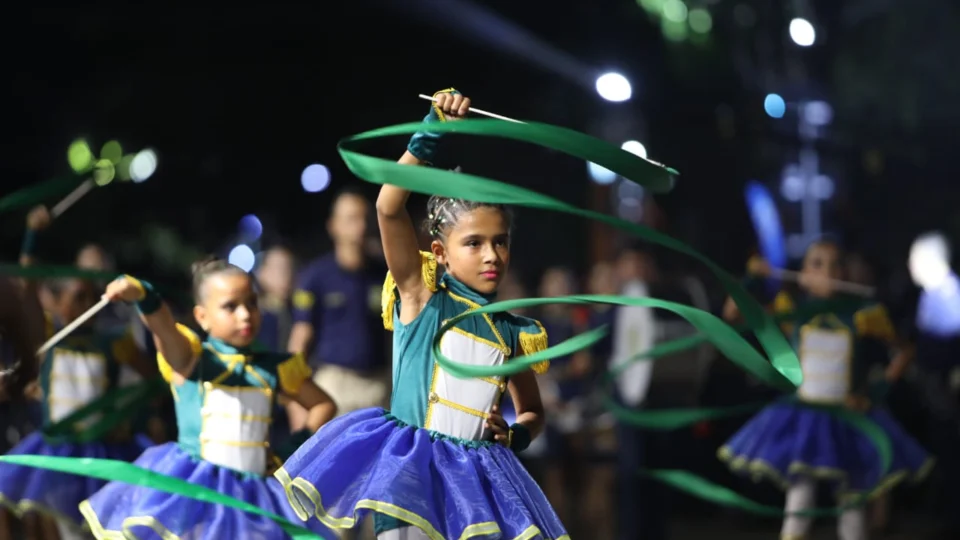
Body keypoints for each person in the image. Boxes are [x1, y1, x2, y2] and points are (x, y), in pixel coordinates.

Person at [275, 88, 566, 540]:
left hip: (479, 483)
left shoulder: (513, 329)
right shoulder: (421, 294)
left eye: (501, 241)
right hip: (411, 471)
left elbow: (531, 411)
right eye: (474, 243)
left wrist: (514, 435)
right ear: (440, 252)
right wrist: (432, 129)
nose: (492, 255)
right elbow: (387, 206)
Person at [81, 259, 338, 540]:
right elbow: (164, 329)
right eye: (231, 306)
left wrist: (292, 447)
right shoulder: (191, 360)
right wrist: (145, 296)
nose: (245, 314)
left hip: (254, 492)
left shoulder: (275, 368)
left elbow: (322, 405)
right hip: (196, 488)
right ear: (202, 317)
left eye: (251, 302)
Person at [718, 239, 932, 540]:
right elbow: (732, 313)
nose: (828, 271)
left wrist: (875, 392)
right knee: (800, 502)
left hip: (849, 420)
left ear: (846, 273)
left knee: (853, 509)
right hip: (804, 419)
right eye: (817, 264)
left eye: (836, 264)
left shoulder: (862, 315)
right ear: (803, 274)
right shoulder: (792, 313)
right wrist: (753, 277)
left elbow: (904, 352)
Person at [0, 206, 157, 540]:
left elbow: (154, 382)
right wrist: (32, 236)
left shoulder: (115, 342)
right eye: (78, 297)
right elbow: (26, 287)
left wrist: (129, 420)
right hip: (57, 449)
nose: (87, 306)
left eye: (91, 297)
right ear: (56, 302)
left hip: (102, 450)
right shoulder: (46, 336)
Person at [286, 189, 390, 430]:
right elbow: (300, 337)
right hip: (333, 385)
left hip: (378, 384)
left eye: (365, 218)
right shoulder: (315, 276)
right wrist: (295, 399)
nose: (361, 226)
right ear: (333, 226)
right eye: (351, 218)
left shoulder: (383, 273)